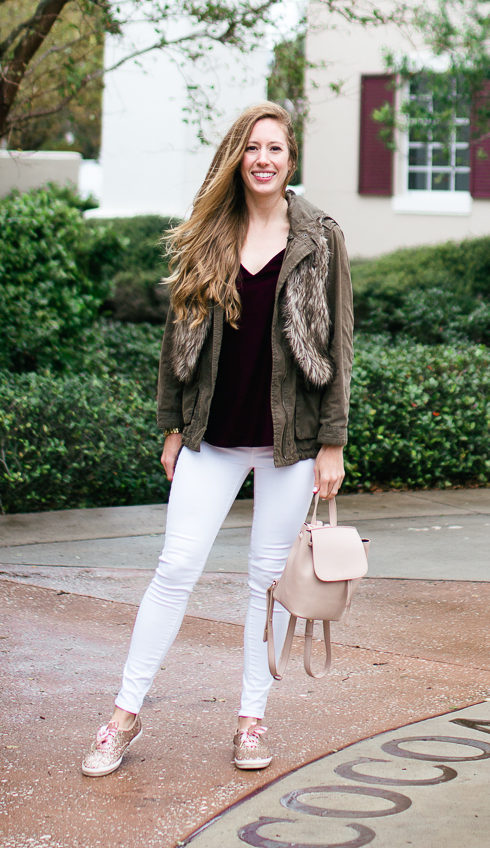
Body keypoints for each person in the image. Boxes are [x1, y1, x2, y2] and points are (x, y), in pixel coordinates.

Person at [80, 102, 353, 777]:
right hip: (212, 434)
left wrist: (333, 443)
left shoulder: (320, 236)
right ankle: (123, 715)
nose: (263, 159)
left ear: (292, 160)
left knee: (267, 582)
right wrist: (172, 425)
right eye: (252, 147)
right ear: (238, 155)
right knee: (175, 569)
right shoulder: (210, 232)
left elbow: (339, 342)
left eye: (276, 149)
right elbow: (178, 336)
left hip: (289, 441)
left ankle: (251, 719)